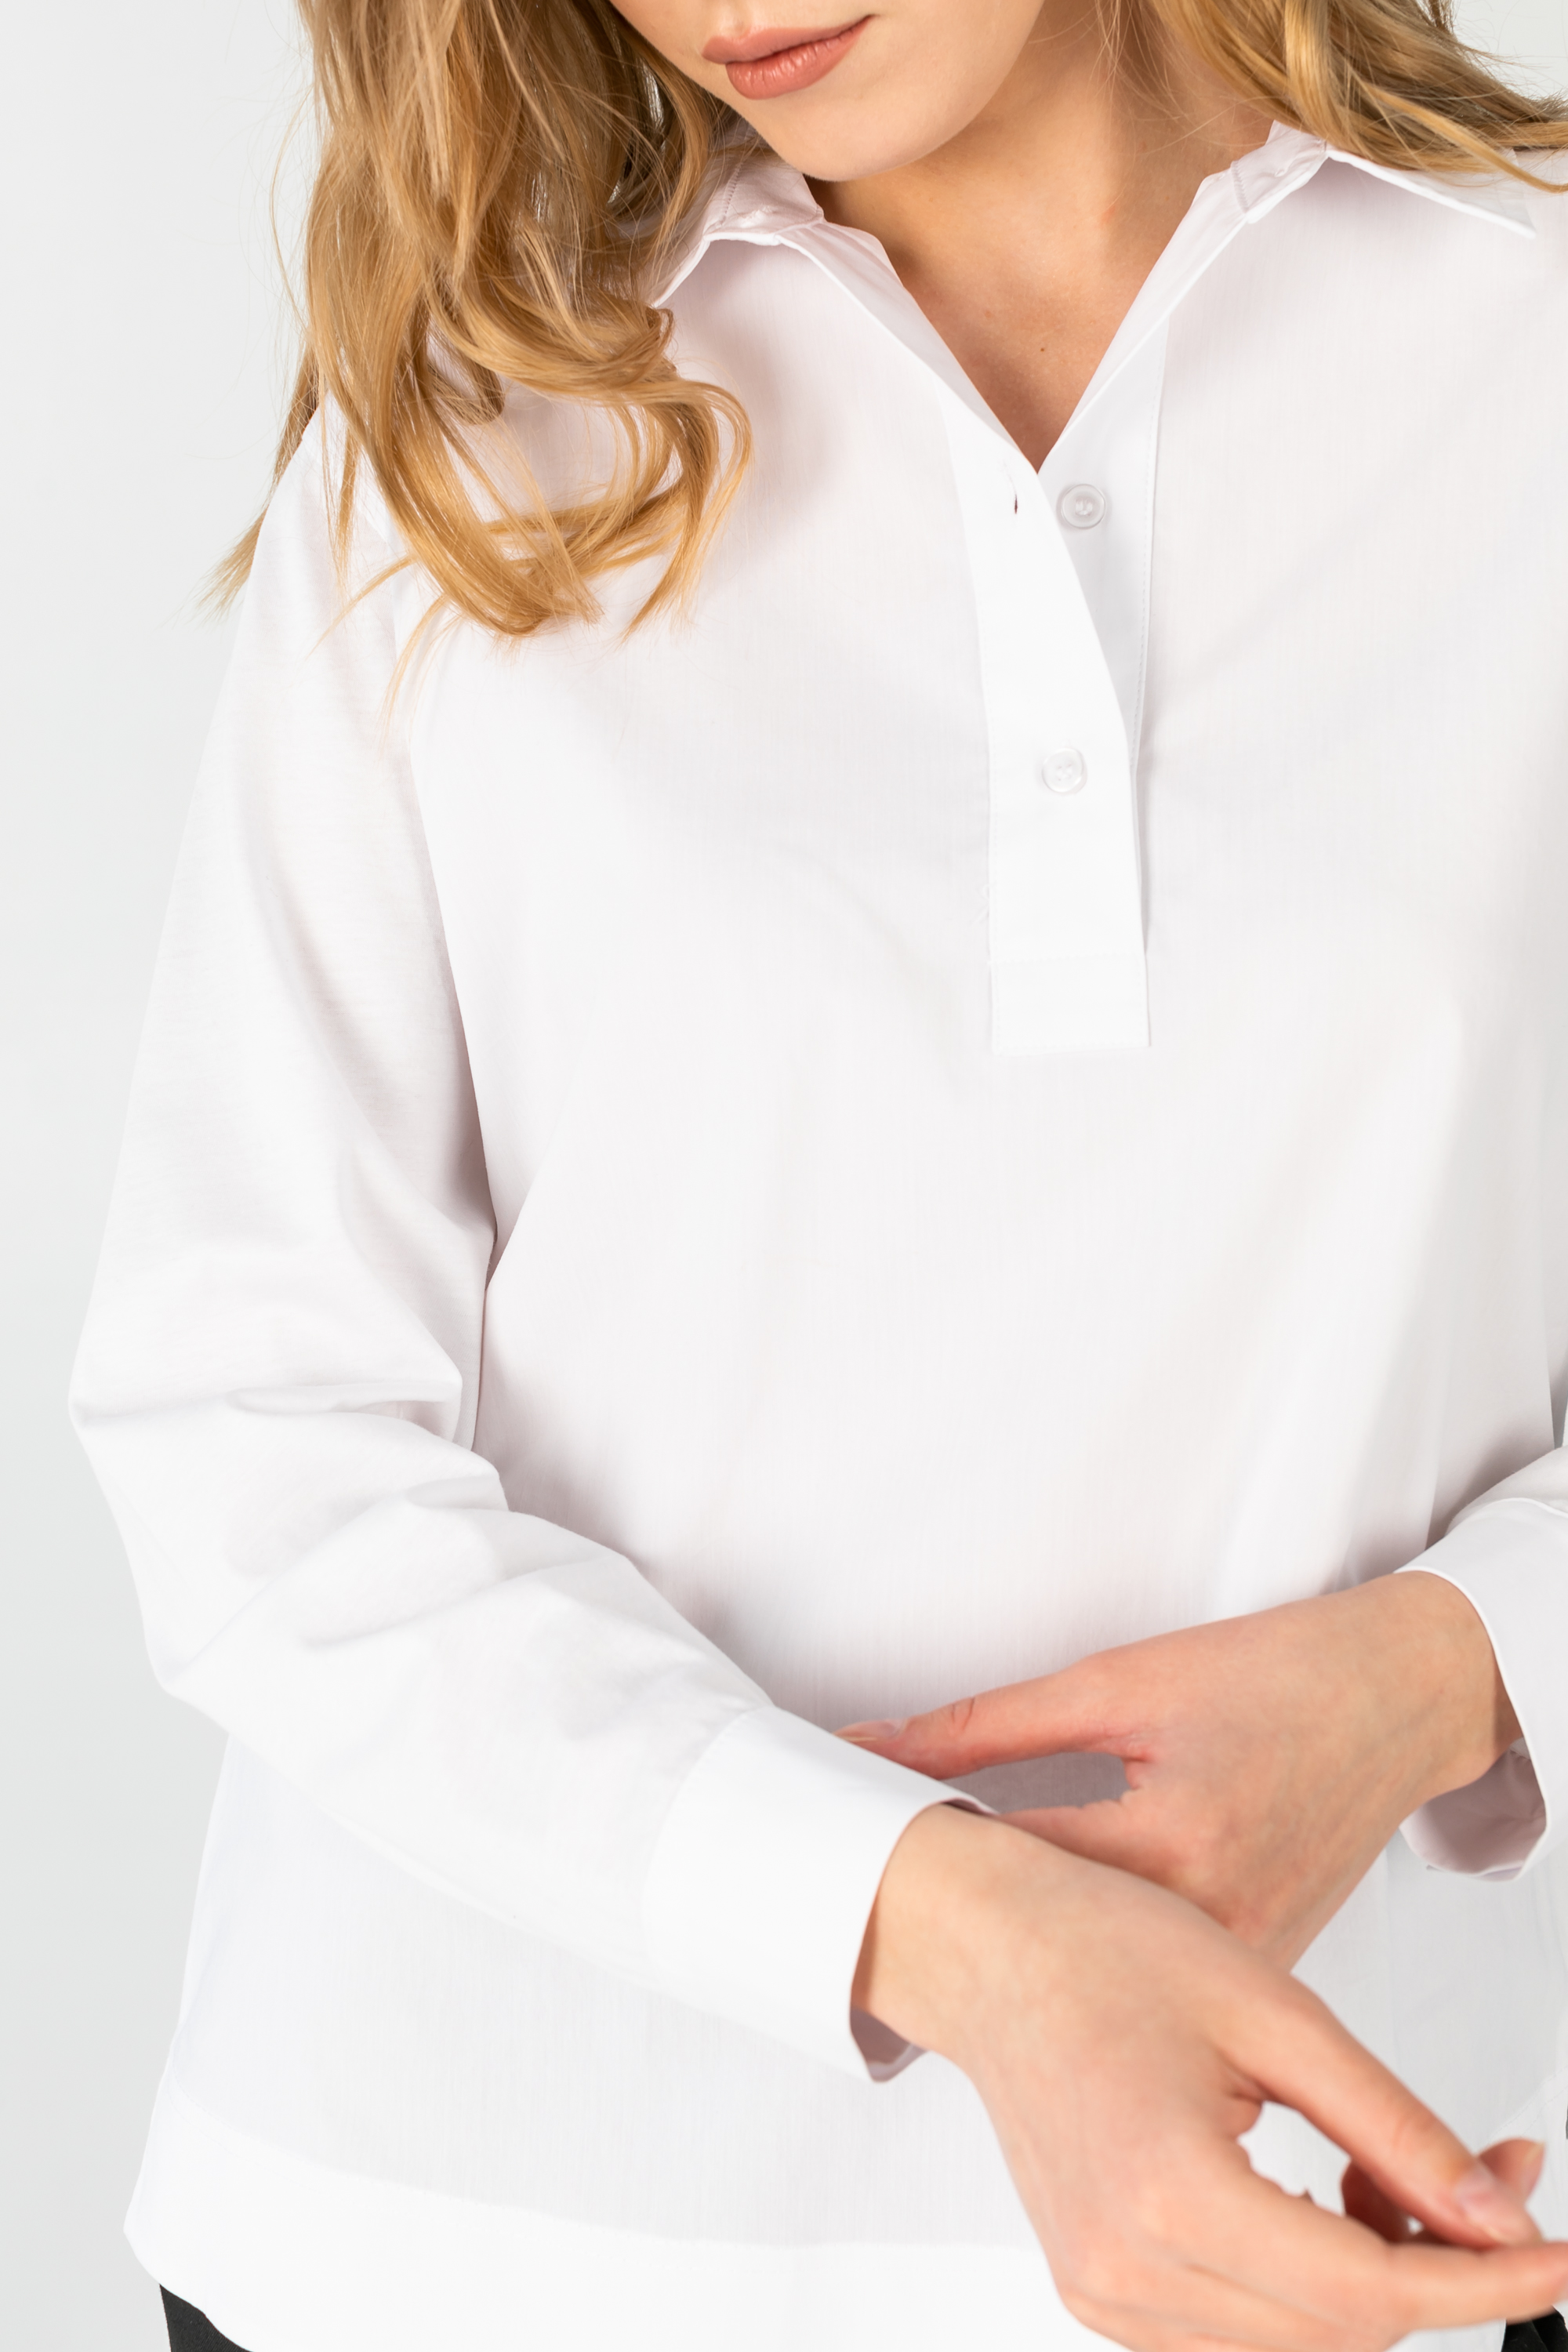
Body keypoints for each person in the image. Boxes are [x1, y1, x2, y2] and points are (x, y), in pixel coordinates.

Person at [71, 0, 1568, 2347]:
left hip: (1329, 2238)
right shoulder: (472, 436)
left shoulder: (1527, 348)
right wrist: (942, 1920)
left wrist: (1454, 1668)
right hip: (462, 2242)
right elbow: (252, 1433)